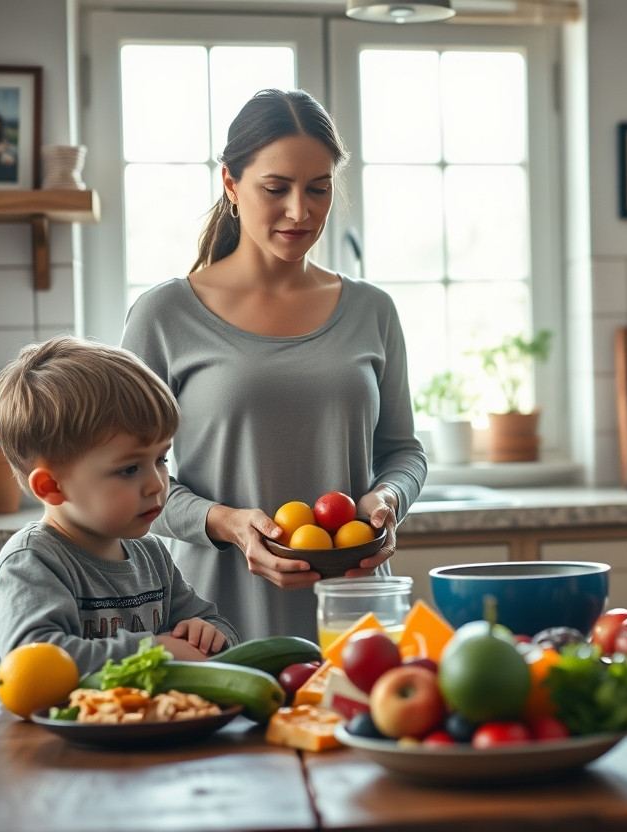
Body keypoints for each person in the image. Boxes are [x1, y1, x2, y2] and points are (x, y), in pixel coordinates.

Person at [120, 89, 426, 643]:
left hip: (355, 615)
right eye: (275, 188)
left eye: (318, 188)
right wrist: (227, 524)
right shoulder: (164, 315)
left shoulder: (372, 310)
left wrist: (388, 501)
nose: (300, 211)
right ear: (231, 184)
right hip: (211, 620)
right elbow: (128, 479)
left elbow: (403, 451)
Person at [0, 336, 238, 705]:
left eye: (161, 459)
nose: (156, 483)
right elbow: (35, 662)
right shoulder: (31, 563)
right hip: (28, 752)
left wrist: (207, 635)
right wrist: (159, 650)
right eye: (129, 468)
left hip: (119, 743)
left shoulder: (151, 554)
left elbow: (220, 627)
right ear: (51, 487)